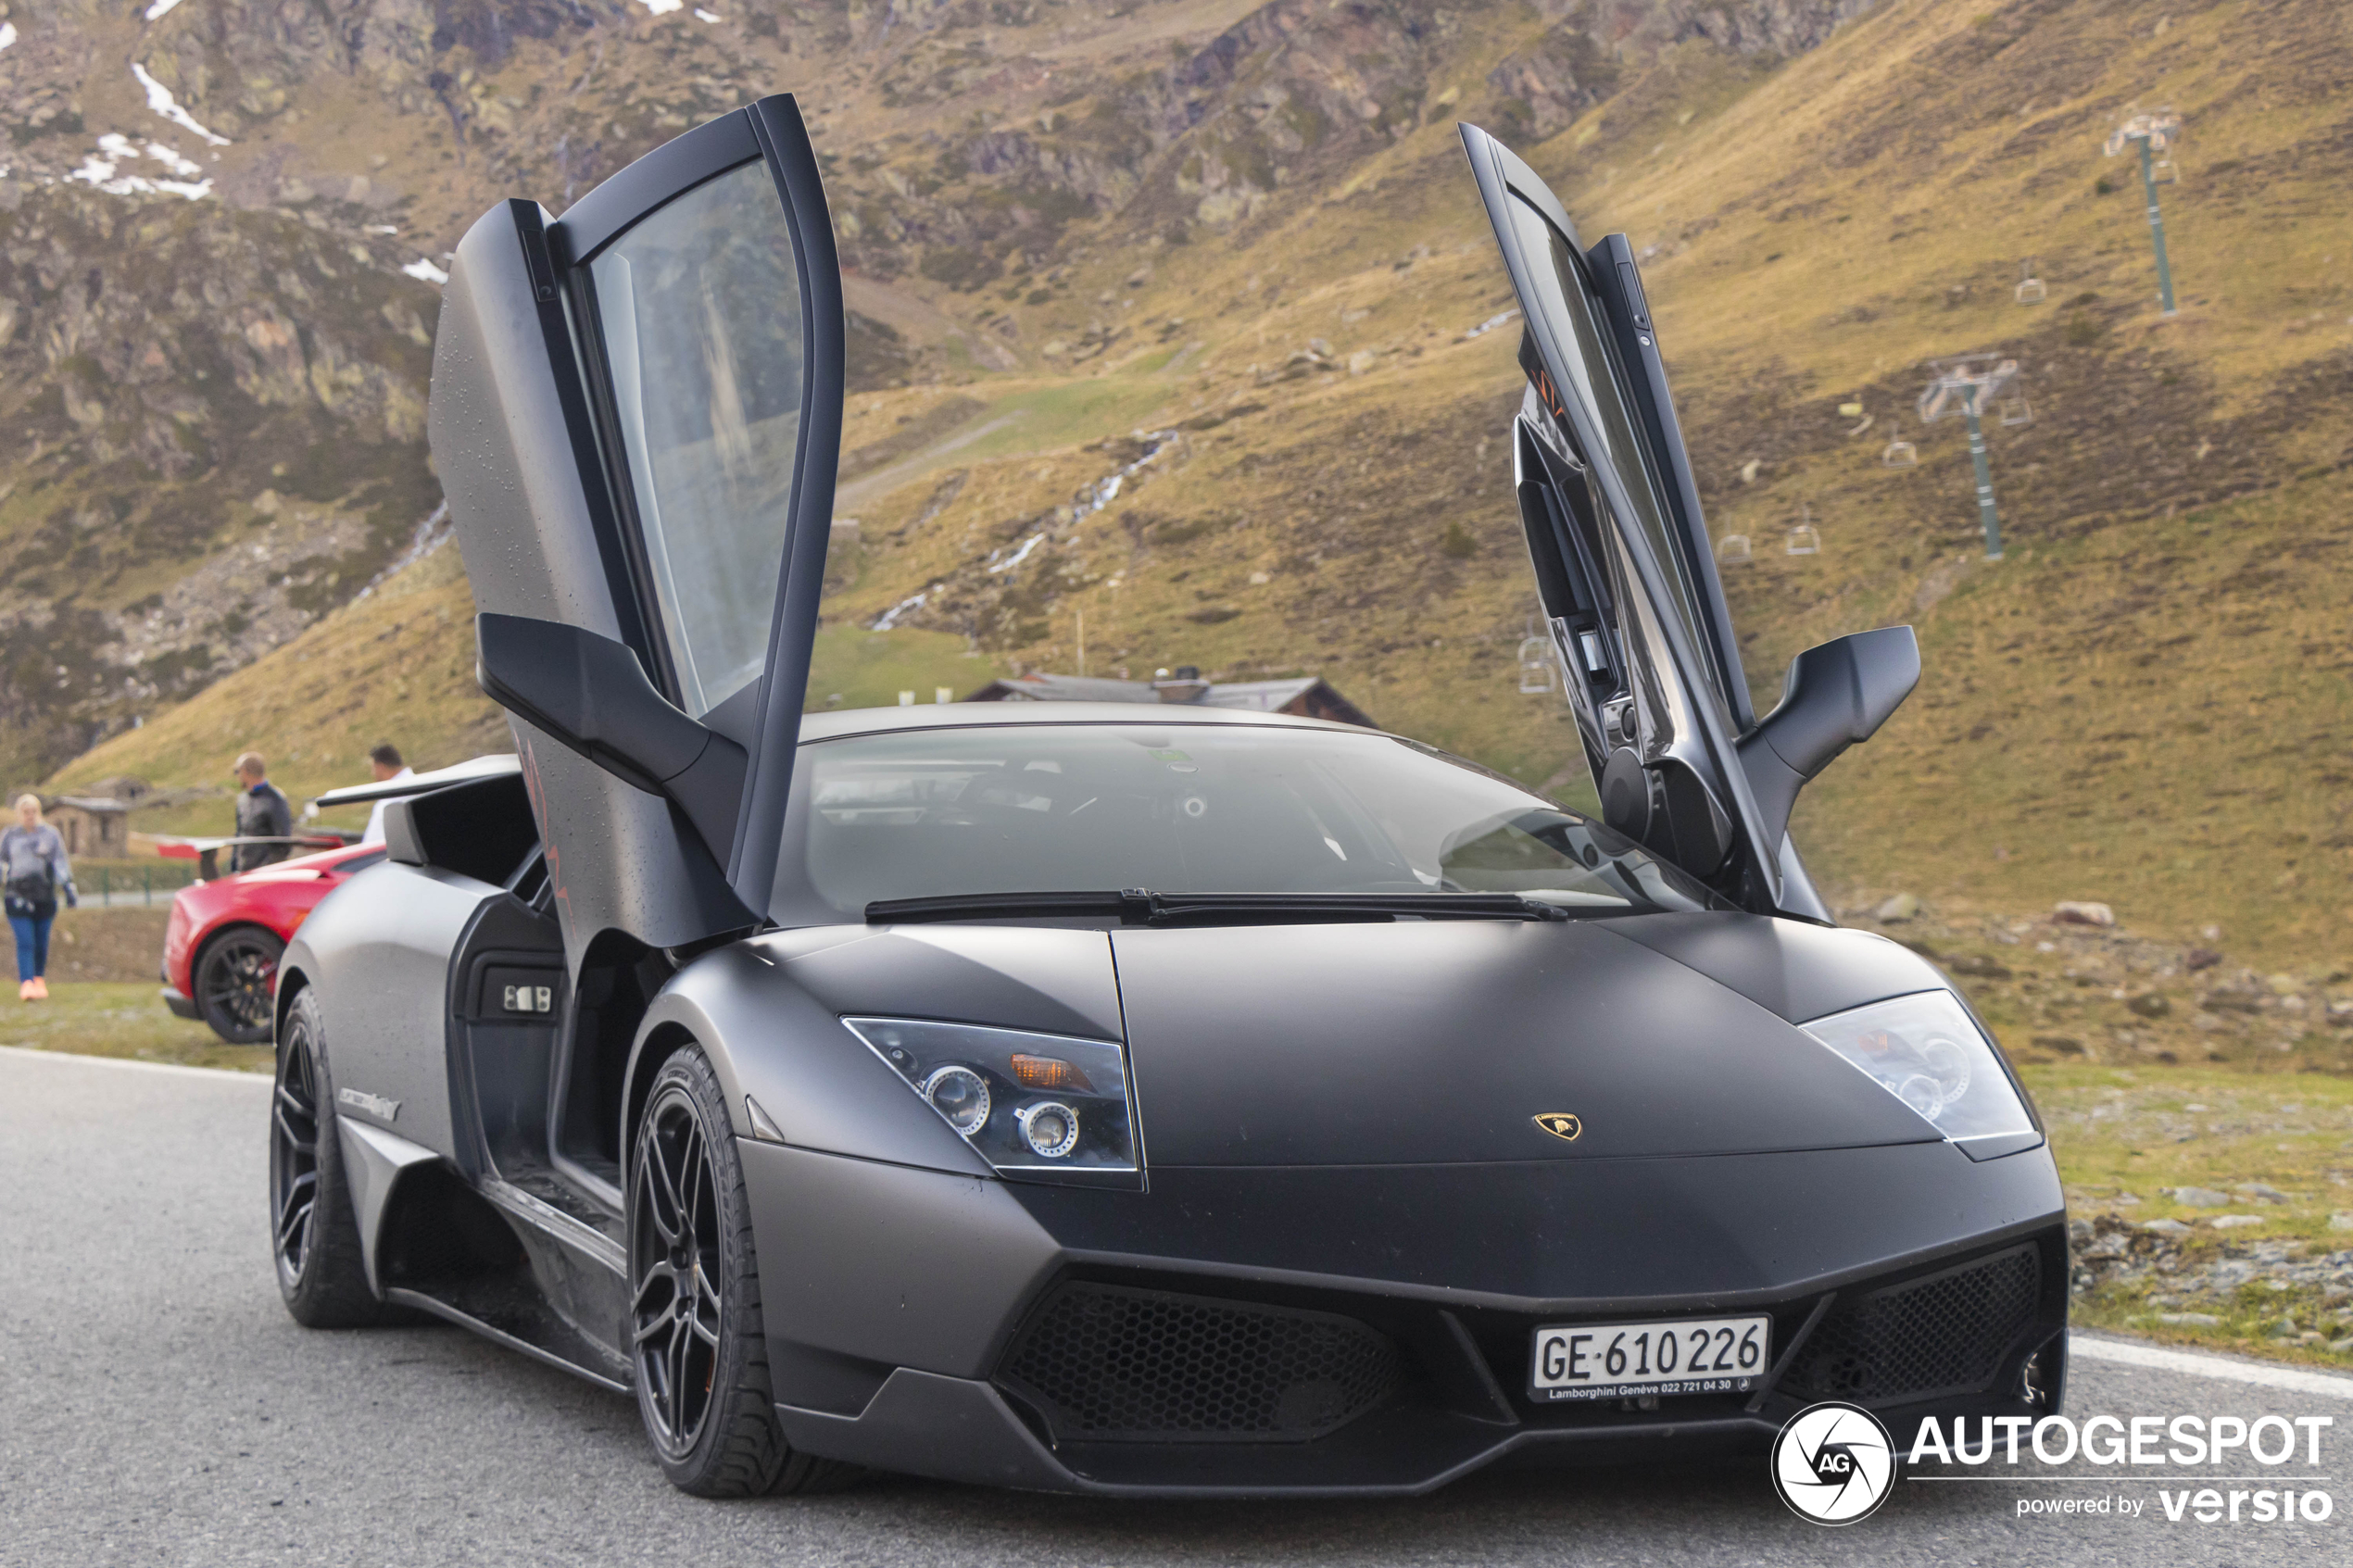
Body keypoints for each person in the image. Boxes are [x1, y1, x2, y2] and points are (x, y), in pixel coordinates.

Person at [3, 794, 77, 1001]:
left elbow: (60, 862)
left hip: (44, 895)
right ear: (19, 814)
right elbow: (2, 861)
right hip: (17, 896)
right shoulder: (10, 836)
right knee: (25, 941)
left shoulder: (50, 835)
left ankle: (38, 980)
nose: (30, 816)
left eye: (33, 811)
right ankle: (26, 983)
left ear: (39, 812)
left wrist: (69, 888)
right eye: (25, 812)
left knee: (41, 942)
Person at [232, 752, 294, 872]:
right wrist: (234, 869)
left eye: (237, 771)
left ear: (245, 771)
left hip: (266, 874)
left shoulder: (275, 799)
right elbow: (239, 836)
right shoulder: (242, 800)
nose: (237, 776)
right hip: (242, 872)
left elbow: (283, 843)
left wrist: (267, 870)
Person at [359, 743, 414, 847]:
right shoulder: (418, 787)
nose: (372, 774)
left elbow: (371, 845)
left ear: (380, 767)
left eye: (373, 768)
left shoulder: (389, 802)